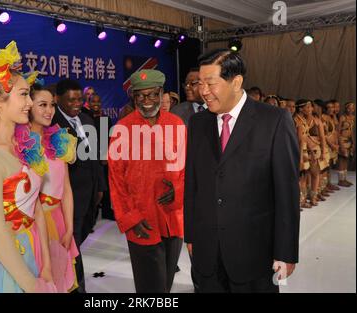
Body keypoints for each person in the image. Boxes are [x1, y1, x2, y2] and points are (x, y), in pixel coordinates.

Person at [184, 49, 300, 293]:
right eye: (199, 83)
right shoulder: (197, 123)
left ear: (236, 82)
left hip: (255, 256)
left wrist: (286, 252)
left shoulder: (275, 121)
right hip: (207, 253)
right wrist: (192, 235)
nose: (203, 91)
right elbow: (193, 184)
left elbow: (287, 192)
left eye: (210, 83)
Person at [0, 41, 56, 293]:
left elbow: (35, 205)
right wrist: (32, 285)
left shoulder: (22, 143)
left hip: (31, 245)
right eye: (24, 94)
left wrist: (46, 263)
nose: (30, 102)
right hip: (0, 260)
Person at [108, 69, 186, 293]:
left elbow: (185, 169)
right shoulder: (122, 128)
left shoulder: (176, 124)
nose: (147, 101)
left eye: (152, 95)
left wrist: (178, 191)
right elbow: (116, 179)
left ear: (162, 94)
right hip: (141, 221)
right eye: (140, 96)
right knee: (150, 288)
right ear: (133, 98)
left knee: (166, 284)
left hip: (172, 217)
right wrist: (130, 219)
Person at [51, 79, 104, 293]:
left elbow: (96, 156)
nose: (76, 104)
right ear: (57, 99)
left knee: (77, 243)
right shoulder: (52, 125)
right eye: (71, 100)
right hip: (68, 199)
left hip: (90, 195)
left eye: (79, 99)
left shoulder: (87, 119)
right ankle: (76, 287)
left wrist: (100, 187)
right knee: (71, 247)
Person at [29, 82, 79, 292]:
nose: (49, 110)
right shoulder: (19, 145)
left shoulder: (59, 140)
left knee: (61, 282)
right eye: (42, 105)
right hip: (33, 224)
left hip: (58, 221)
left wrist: (69, 228)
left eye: (51, 105)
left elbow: (66, 189)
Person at [337, 102, 355, 186]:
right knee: (341, 160)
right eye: (349, 108)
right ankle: (340, 180)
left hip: (348, 141)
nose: (351, 110)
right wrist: (340, 143)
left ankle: (344, 179)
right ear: (346, 108)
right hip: (342, 140)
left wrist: (353, 142)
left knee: (346, 160)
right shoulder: (342, 117)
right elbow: (338, 131)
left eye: (352, 108)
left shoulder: (352, 118)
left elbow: (351, 131)